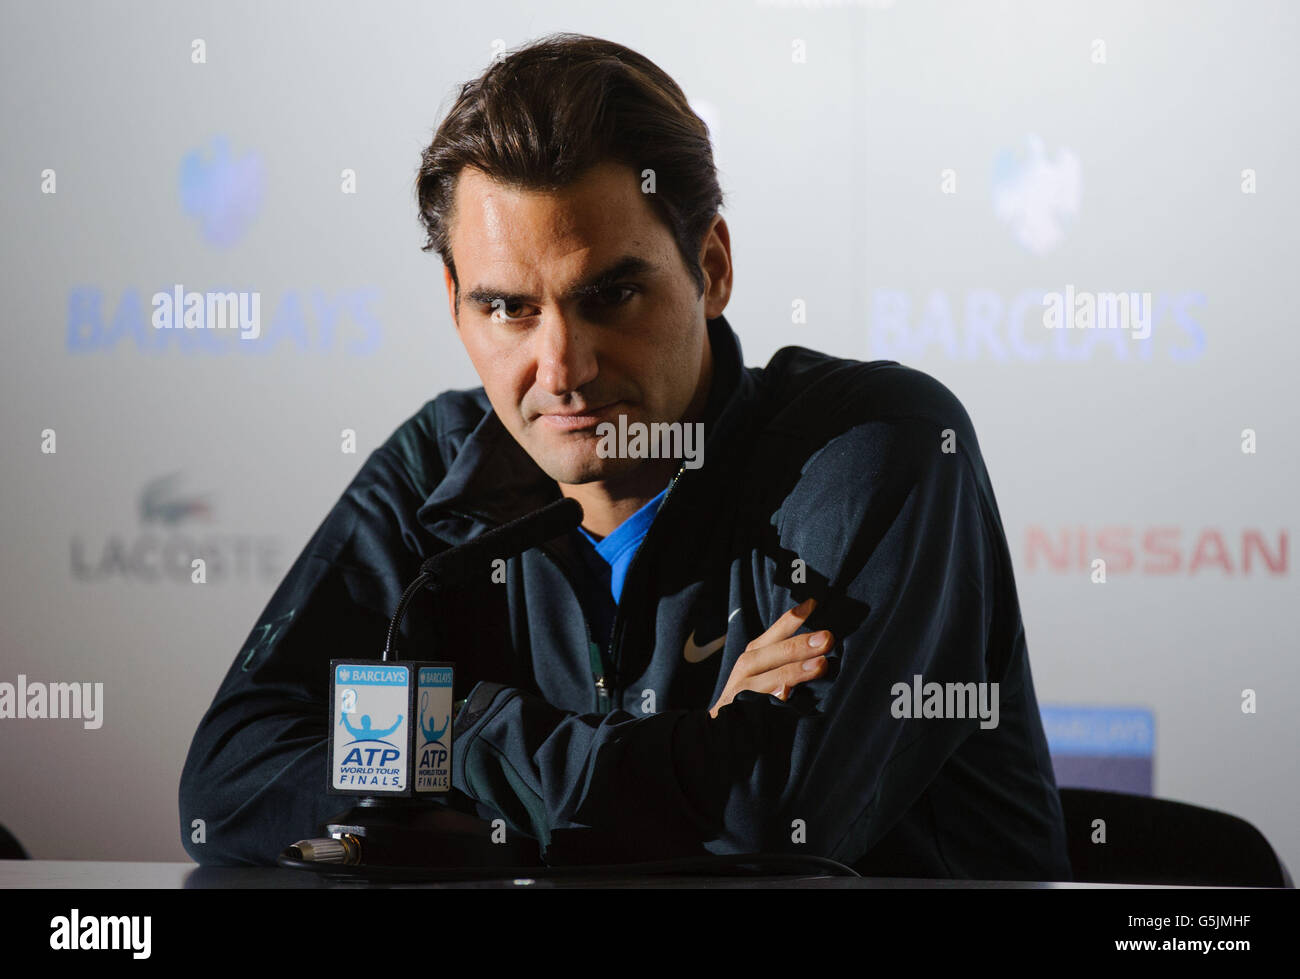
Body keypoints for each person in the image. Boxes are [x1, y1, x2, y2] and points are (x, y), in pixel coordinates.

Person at [179, 32, 1072, 880]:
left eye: (611, 295)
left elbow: (773, 826)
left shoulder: (877, 445)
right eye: (507, 309)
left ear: (712, 266)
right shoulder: (439, 469)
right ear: (453, 303)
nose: (562, 368)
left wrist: (438, 746)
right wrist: (561, 748)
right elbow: (230, 779)